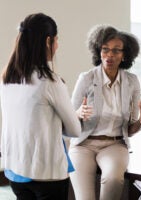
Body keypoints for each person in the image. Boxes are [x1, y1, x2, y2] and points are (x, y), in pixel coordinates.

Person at [0, 13, 81, 200]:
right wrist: (75, 115)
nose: (58, 45)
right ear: (48, 41)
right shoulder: (50, 82)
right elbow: (75, 130)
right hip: (47, 174)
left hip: (15, 171)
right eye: (57, 39)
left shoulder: (7, 78)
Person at [69, 25, 141, 200]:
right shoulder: (86, 78)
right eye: (105, 50)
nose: (110, 55)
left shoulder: (132, 81)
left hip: (115, 144)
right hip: (83, 144)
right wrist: (78, 113)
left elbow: (130, 130)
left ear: (124, 55)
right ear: (99, 51)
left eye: (116, 51)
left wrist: (140, 121)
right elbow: (68, 119)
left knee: (113, 179)